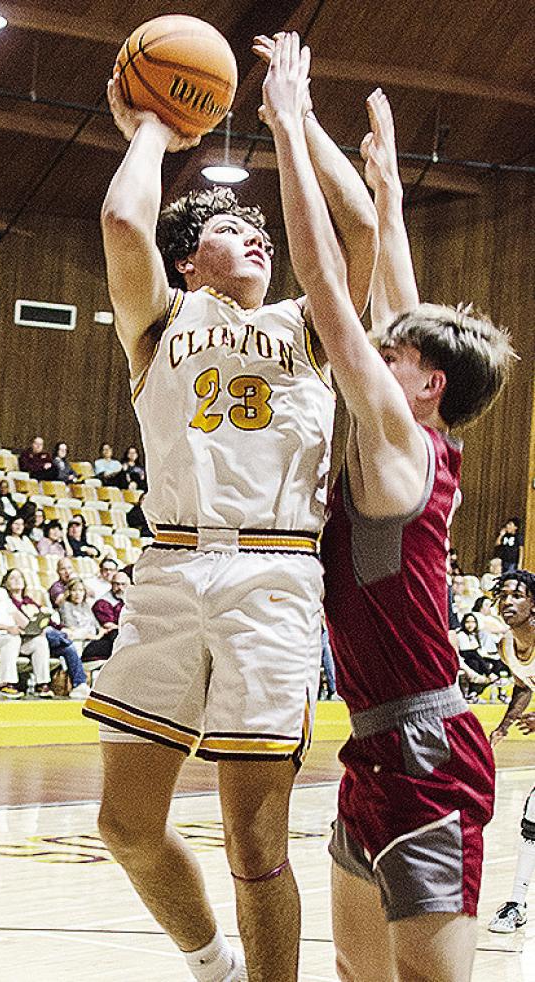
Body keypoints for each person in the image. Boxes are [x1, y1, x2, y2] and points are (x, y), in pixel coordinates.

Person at [83, 35, 378, 982]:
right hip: (169, 568)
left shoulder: (310, 324)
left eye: (259, 226)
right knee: (125, 827)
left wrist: (299, 119)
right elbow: (124, 223)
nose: (254, 232)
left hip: (273, 576)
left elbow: (360, 230)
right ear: (192, 263)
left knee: (256, 845)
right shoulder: (162, 322)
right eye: (228, 228)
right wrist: (153, 128)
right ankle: (210, 966)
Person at [259, 37, 515, 981]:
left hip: (429, 747)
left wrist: (289, 126)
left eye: (393, 354)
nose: (376, 348)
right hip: (374, 746)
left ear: (426, 384)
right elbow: (388, 255)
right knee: (357, 978)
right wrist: (382, 183)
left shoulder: (402, 441)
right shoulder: (415, 428)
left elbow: (330, 289)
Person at [488, 571, 535, 934]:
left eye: (517, 595)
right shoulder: (507, 645)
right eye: (503, 595)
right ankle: (516, 904)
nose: (508, 601)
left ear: (533, 603)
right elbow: (523, 684)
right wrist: (505, 725)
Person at [1, 569, 89, 699]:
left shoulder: (29, 601)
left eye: (20, 577)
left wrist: (62, 628)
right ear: (6, 584)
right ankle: (63, 639)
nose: (17, 580)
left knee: (68, 648)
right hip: (25, 638)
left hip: (44, 636)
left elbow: (46, 619)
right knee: (54, 635)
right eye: (12, 578)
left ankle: (79, 685)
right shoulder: (7, 602)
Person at [0, 566, 53, 698]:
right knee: (11, 639)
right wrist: (7, 628)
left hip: (11, 635)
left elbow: (15, 613)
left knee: (39, 641)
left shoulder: (0, 593)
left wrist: (32, 629)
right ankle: (6, 685)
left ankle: (42, 684)